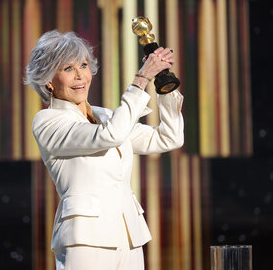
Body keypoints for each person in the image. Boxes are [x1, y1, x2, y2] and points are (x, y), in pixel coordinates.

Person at [24, 30, 184, 270]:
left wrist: (164, 82)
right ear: (48, 79)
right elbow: (112, 135)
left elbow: (168, 138)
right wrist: (141, 79)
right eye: (68, 69)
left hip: (129, 236)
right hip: (85, 240)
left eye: (83, 65)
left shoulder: (106, 116)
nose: (80, 76)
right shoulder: (48, 121)